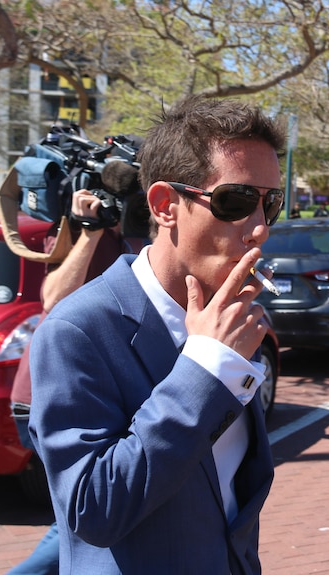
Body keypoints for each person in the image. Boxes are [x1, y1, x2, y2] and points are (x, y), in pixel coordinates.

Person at [28, 95, 284, 574]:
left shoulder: (233, 317)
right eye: (236, 201)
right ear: (166, 206)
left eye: (271, 203)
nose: (259, 229)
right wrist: (205, 369)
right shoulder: (78, 329)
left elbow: (228, 496)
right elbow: (92, 508)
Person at [7, 187, 148, 575]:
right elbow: (52, 299)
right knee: (83, 515)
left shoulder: (139, 234)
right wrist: (89, 231)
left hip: (108, 394)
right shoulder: (73, 231)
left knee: (82, 517)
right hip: (47, 396)